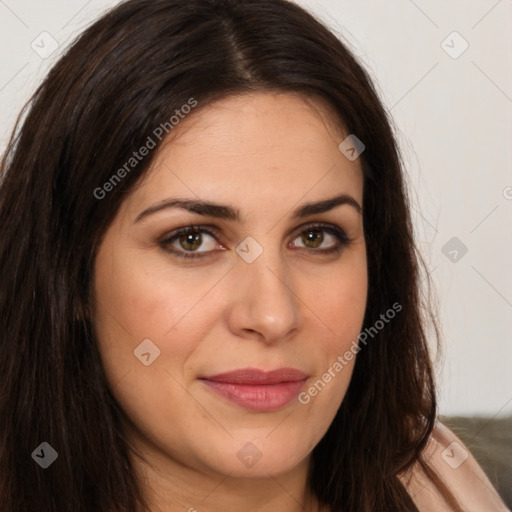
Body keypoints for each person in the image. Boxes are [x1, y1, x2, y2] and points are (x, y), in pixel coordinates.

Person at [0, 1, 508, 511]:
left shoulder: (447, 488)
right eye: (192, 240)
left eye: (316, 237)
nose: (273, 315)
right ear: (69, 273)